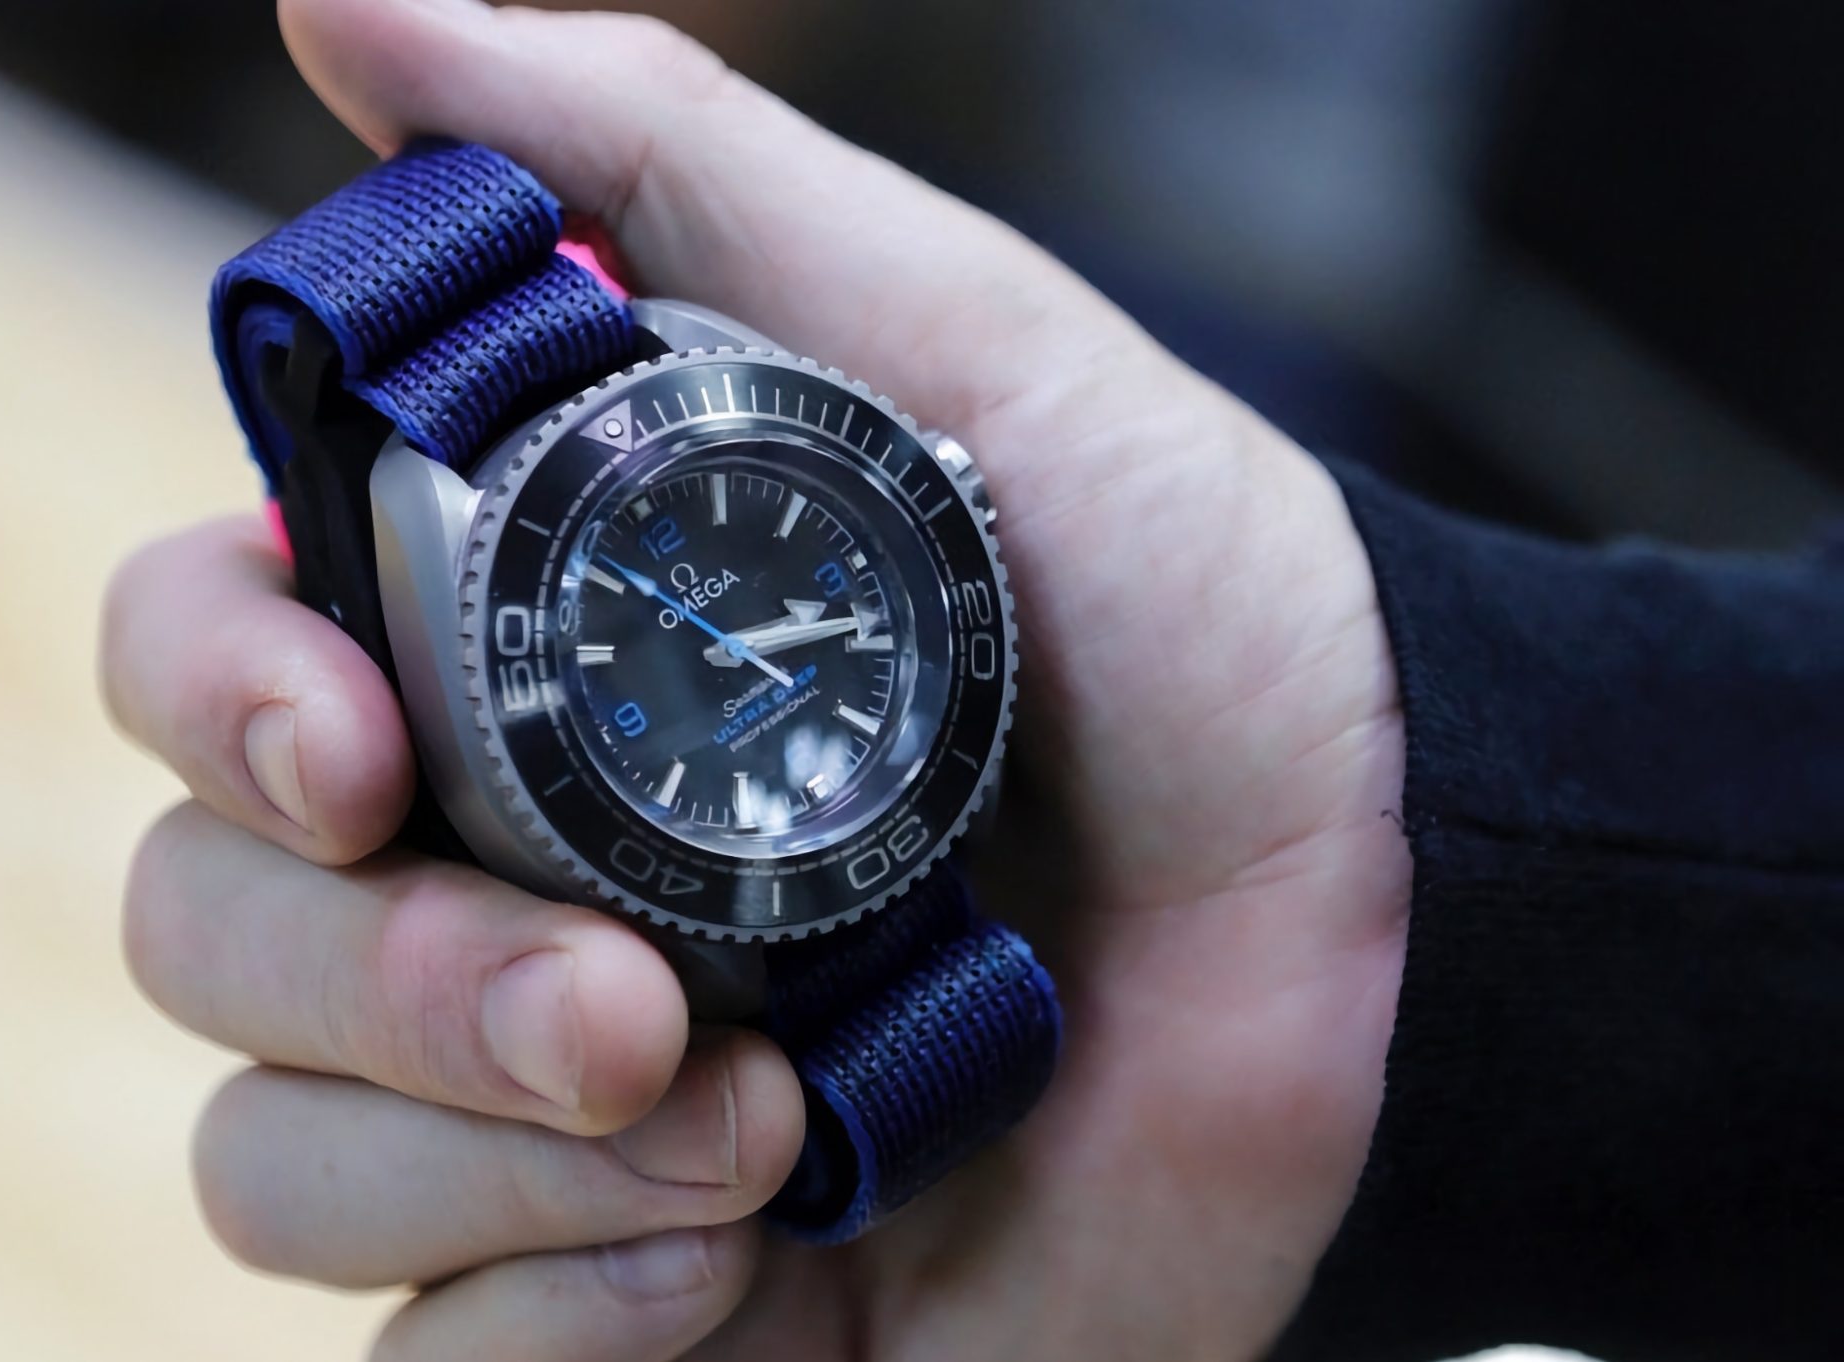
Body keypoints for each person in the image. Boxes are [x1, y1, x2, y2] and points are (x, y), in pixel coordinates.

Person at [98, 2, 1844, 1360]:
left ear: (932, 488)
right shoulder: (459, 355)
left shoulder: (610, 358)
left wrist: (1383, 886)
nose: (738, 657)